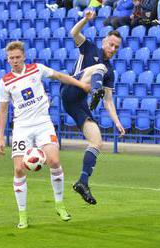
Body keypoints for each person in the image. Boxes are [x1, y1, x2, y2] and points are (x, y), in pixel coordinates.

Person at [0, 41, 91, 228]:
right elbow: (3, 110)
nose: (14, 61)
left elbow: (60, 76)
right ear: (8, 60)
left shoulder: (37, 69)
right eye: (11, 58)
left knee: (54, 161)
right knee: (19, 169)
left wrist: (80, 84)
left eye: (17, 57)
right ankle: (22, 215)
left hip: (43, 124)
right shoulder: (5, 82)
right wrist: (0, 138)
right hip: (22, 128)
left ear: (24, 56)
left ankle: (59, 204)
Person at [60, 10, 126, 205]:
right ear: (104, 41)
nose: (113, 48)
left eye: (116, 47)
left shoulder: (111, 71)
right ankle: (94, 90)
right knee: (99, 68)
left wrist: (117, 122)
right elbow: (73, 32)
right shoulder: (90, 49)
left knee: (97, 141)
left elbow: (108, 101)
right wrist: (85, 19)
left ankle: (82, 182)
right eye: (111, 44)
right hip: (71, 88)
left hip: (79, 103)